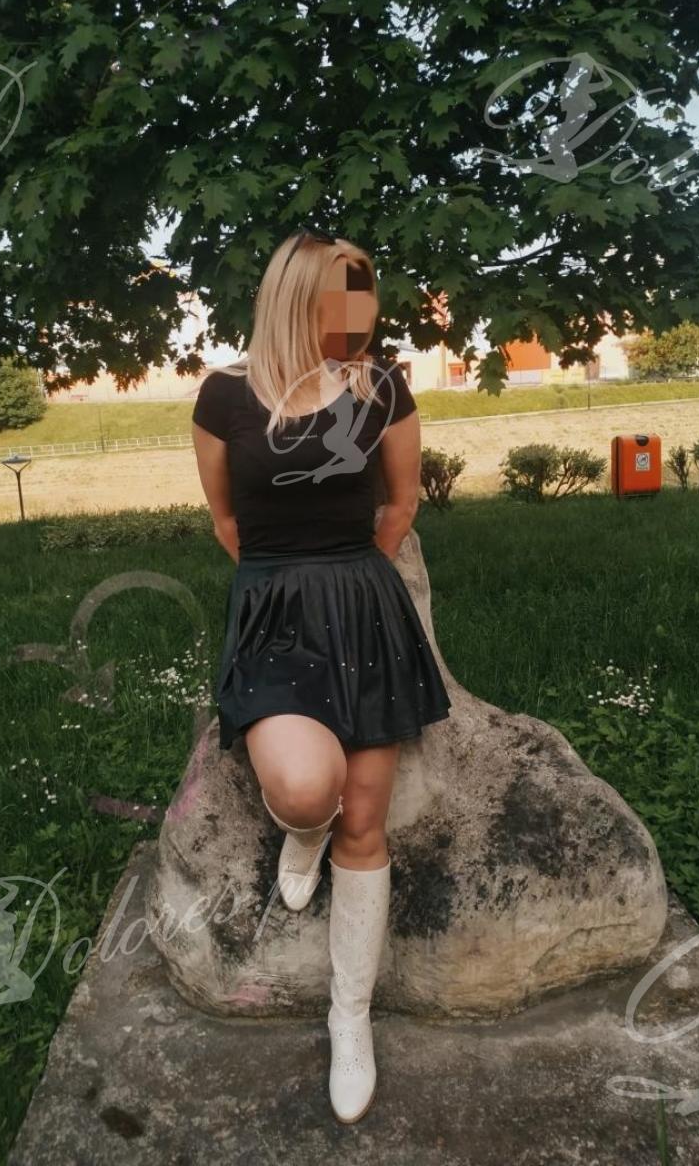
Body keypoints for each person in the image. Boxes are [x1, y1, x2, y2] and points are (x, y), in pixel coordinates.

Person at [191, 226, 452, 1123]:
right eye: (346, 291)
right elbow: (227, 521)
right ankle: (302, 833)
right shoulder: (224, 396)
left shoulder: (383, 388)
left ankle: (351, 1019)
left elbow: (400, 504)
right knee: (308, 789)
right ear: (297, 298)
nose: (362, 309)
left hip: (363, 604)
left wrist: (348, 578)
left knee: (366, 822)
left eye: (365, 291)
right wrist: (284, 583)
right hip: (273, 608)